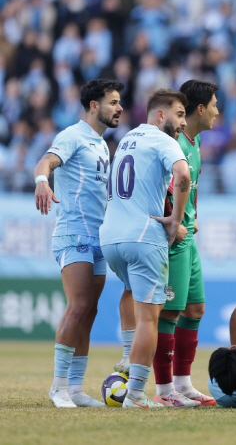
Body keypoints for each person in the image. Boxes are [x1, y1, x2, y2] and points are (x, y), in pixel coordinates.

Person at [34, 79, 124, 408]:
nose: (119, 108)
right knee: (79, 306)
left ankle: (75, 389)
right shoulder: (72, 136)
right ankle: (57, 387)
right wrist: (43, 181)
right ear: (93, 105)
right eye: (113, 102)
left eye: (119, 102)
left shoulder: (101, 144)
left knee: (90, 311)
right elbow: (45, 161)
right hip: (74, 232)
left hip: (98, 236)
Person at [100, 89, 191, 409]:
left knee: (129, 290)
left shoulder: (127, 138)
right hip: (144, 237)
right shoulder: (165, 140)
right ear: (161, 115)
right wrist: (174, 219)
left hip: (110, 237)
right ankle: (136, 394)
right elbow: (183, 174)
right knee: (149, 319)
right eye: (180, 114)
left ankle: (127, 355)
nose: (183, 122)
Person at [151, 80, 219, 407]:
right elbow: (161, 186)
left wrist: (194, 215)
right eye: (215, 106)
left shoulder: (196, 141)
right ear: (201, 109)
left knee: (195, 309)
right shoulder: (171, 142)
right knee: (171, 312)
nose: (219, 112)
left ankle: (183, 384)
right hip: (174, 240)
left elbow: (191, 186)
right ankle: (164, 391)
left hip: (189, 237)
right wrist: (174, 222)